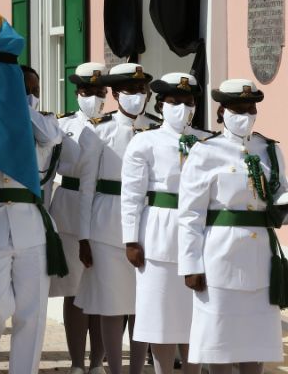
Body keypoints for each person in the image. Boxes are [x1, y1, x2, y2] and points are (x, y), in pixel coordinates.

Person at [178, 79, 287, 374]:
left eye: (250, 108)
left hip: (260, 258)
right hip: (219, 256)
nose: (246, 115)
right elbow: (190, 214)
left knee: (257, 336)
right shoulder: (205, 152)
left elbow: (279, 196)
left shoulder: (270, 150)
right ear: (222, 111)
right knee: (219, 335)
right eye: (238, 109)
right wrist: (191, 264)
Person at [0, 65, 62, 374]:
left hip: (31, 226)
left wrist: (20, 103)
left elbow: (50, 137)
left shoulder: (43, 123)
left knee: (31, 312)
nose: (31, 95)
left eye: (35, 90)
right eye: (24, 89)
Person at [121, 73, 211, 374]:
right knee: (160, 316)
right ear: (160, 106)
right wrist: (131, 239)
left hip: (199, 235)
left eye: (189, 103)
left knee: (195, 313)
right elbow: (132, 195)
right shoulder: (144, 142)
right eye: (175, 102)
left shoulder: (207, 142)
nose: (183, 109)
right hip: (159, 232)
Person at [75, 62, 153, 374]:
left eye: (141, 90)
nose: (137, 96)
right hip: (106, 224)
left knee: (141, 305)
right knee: (111, 303)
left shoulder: (154, 130)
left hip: (146, 224)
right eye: (130, 90)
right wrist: (83, 236)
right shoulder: (99, 130)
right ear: (117, 93)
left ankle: (135, 369)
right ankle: (115, 370)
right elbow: (86, 188)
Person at [49, 62, 107, 374]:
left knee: (101, 289)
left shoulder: (113, 127)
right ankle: (76, 362)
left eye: (100, 92)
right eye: (88, 91)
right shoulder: (62, 126)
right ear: (77, 93)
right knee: (74, 290)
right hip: (69, 209)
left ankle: (98, 361)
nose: (95, 98)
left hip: (103, 208)